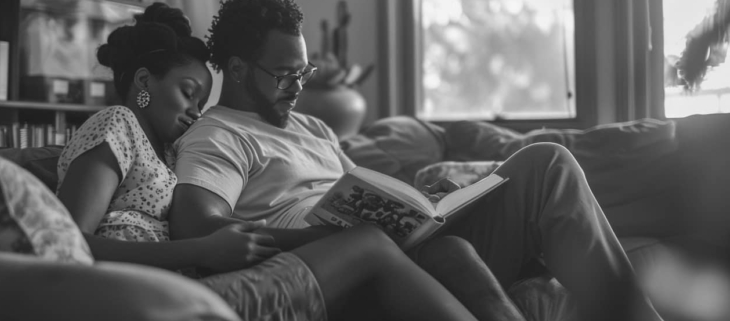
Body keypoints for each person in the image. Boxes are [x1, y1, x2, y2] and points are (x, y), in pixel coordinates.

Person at [168, 0, 666, 320]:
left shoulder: (314, 127)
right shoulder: (219, 134)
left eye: (304, 73)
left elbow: (362, 187)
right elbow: (199, 229)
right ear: (235, 69)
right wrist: (326, 238)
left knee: (545, 162)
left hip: (404, 246)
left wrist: (430, 202)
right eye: (284, 76)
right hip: (352, 268)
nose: (298, 89)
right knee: (453, 254)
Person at [56, 3, 486, 321]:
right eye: (188, 93)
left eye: (202, 100)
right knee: (369, 241)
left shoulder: (168, 151)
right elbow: (68, 245)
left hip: (188, 283)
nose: (196, 111)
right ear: (144, 82)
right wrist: (200, 248)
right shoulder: (117, 123)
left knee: (448, 246)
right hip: (144, 294)